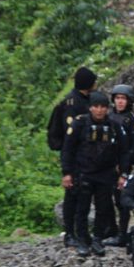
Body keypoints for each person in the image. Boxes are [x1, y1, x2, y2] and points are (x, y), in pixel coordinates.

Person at [61, 91, 130, 257]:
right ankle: (82, 240)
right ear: (90, 107)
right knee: (82, 208)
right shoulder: (80, 123)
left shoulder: (114, 125)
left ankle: (98, 238)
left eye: (103, 107)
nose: (99, 110)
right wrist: (67, 173)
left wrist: (124, 174)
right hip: (83, 172)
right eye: (96, 107)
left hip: (106, 174)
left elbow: (124, 151)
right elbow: (67, 149)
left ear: (107, 108)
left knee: (103, 208)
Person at [47, 66, 97, 248]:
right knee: (72, 195)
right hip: (74, 156)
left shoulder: (86, 99)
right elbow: (69, 138)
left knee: (85, 195)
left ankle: (83, 232)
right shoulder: (72, 104)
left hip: (87, 156)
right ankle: (70, 233)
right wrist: (67, 168)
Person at [103, 84, 134, 249]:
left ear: (129, 101)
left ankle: (122, 234)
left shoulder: (132, 120)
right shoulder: (109, 116)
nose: (120, 102)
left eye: (123, 99)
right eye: (117, 98)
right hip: (107, 164)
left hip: (123, 165)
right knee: (105, 199)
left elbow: (133, 148)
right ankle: (109, 229)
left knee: (122, 200)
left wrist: (125, 170)